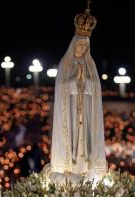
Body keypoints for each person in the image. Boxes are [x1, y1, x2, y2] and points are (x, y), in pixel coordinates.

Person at [44, 4, 108, 184]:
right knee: (72, 136)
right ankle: (68, 166)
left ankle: (87, 166)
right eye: (80, 44)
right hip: (71, 110)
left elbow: (95, 87)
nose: (82, 48)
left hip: (85, 110)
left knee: (85, 137)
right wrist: (74, 81)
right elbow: (61, 88)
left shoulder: (90, 64)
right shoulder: (65, 64)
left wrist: (84, 81)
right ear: (74, 44)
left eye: (85, 46)